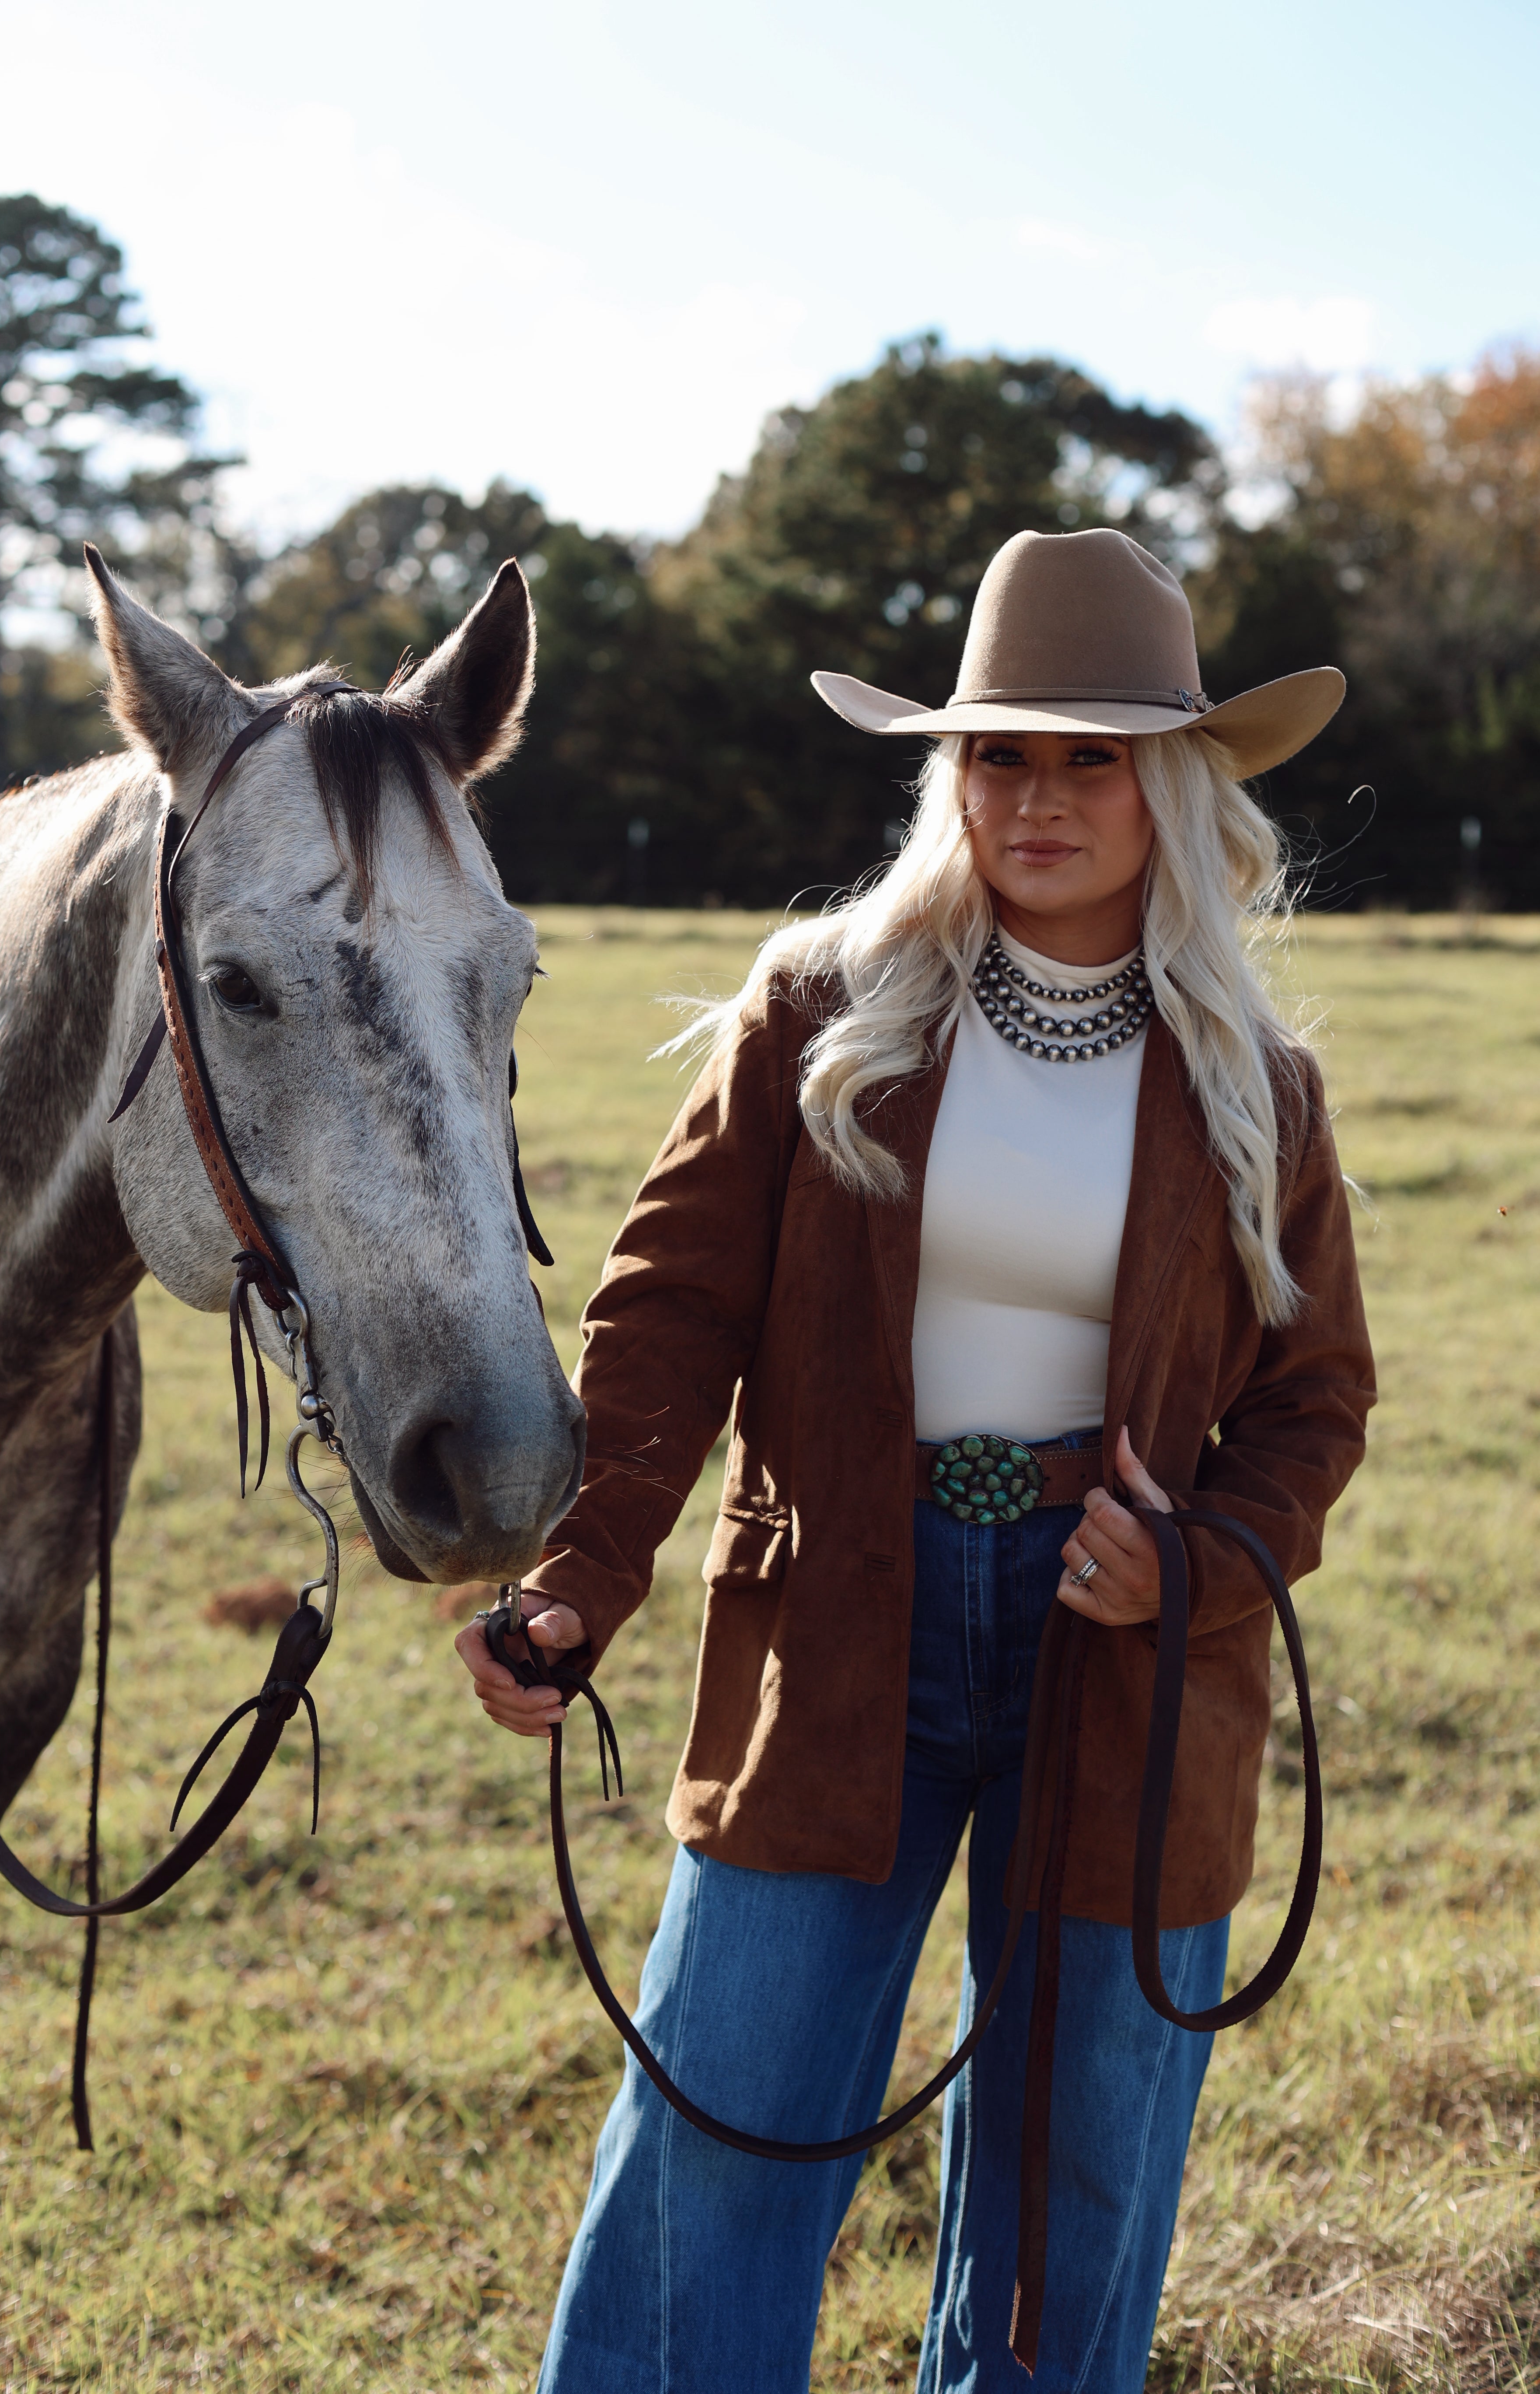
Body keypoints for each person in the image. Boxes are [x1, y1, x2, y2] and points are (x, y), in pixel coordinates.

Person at [456, 527, 1376, 2394]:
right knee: (722, 2123)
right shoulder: (820, 1010)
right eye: (998, 751)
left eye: (1088, 756)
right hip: (835, 1626)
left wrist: (1196, 1555)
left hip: (1121, 1643)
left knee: (1077, 2196)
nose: (1035, 794)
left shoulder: (1255, 1082)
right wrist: (582, 1572)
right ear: (949, 774)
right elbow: (666, 1311)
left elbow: (1314, 1399)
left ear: (1171, 785)